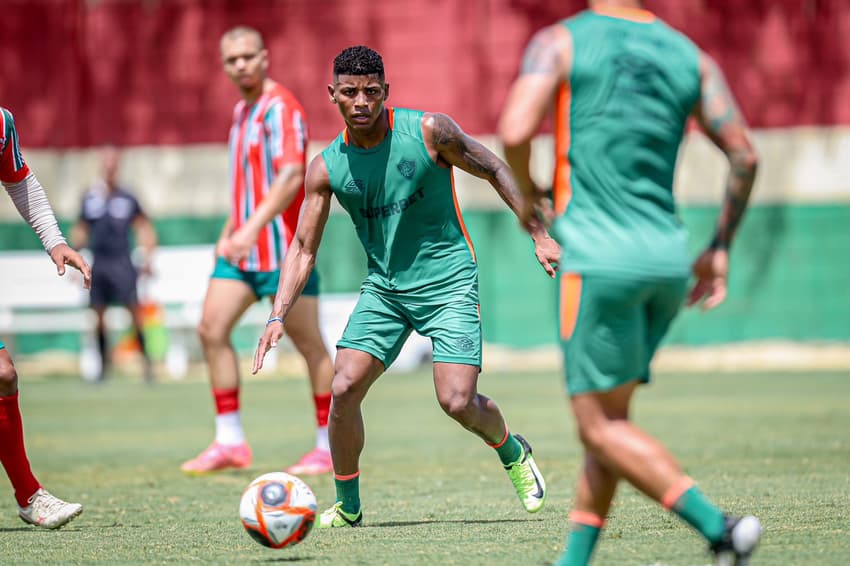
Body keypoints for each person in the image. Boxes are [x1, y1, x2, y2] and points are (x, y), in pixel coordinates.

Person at [253, 45, 561, 528]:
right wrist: (277, 315)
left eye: (371, 92)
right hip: (385, 291)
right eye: (350, 92)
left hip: (449, 282)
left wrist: (539, 234)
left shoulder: (428, 131)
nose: (361, 102)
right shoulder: (326, 168)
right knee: (344, 386)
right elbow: (302, 249)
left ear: (386, 93)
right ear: (332, 95)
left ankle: (511, 450)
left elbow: (497, 167)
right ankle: (348, 505)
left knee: (456, 401)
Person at [498, 2, 762, 565]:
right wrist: (718, 248)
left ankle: (721, 530)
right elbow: (744, 155)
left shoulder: (561, 41)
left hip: (597, 259)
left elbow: (516, 128)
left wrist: (528, 196)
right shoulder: (691, 56)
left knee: (597, 427)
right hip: (667, 258)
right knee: (610, 423)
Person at [180, 26, 335, 476]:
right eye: (232, 60)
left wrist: (249, 228)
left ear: (265, 57)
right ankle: (229, 441)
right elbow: (246, 186)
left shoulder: (281, 109)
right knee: (211, 328)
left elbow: (290, 177)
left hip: (285, 252)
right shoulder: (241, 112)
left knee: (309, 345)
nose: (241, 65)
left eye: (248, 56)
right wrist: (231, 231)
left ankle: (326, 446)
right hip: (243, 252)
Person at [0, 106, 91, 528]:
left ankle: (30, 496)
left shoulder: (1, 123)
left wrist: (55, 242)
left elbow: (21, 183)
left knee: (2, 375)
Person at [71, 146, 158, 383]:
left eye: (113, 163)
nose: (110, 167)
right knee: (98, 315)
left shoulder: (127, 197)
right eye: (106, 163)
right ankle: (103, 366)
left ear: (117, 166)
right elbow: (81, 229)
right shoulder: (90, 198)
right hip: (99, 264)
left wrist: (148, 257)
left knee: (135, 312)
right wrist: (74, 259)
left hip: (122, 262)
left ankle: (147, 365)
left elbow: (144, 227)